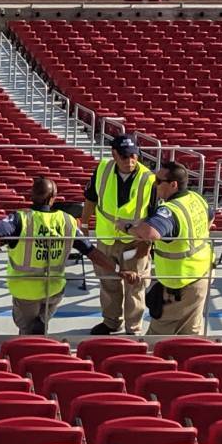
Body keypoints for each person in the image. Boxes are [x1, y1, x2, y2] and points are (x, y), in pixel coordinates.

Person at [126, 158, 214, 337]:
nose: (155, 184)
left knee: (157, 338)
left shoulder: (170, 210)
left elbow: (150, 233)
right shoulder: (196, 198)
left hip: (180, 284)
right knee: (191, 334)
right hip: (201, 275)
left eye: (159, 181)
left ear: (173, 184)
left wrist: (127, 227)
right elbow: (210, 219)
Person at [84, 134, 157, 338]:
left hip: (135, 240)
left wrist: (147, 245)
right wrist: (83, 223)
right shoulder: (102, 169)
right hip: (106, 238)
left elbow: (154, 215)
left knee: (136, 284)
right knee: (108, 282)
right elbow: (90, 198)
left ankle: (132, 328)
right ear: (114, 154)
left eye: (134, 156)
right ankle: (111, 321)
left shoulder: (148, 178)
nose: (130, 161)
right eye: (125, 156)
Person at [0, 175, 79, 336]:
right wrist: (116, 270)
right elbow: (91, 251)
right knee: (39, 328)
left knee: (27, 330)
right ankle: (42, 324)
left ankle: (30, 353)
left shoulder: (20, 218)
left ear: (31, 196)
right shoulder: (67, 221)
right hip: (54, 288)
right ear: (53, 198)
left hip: (25, 290)